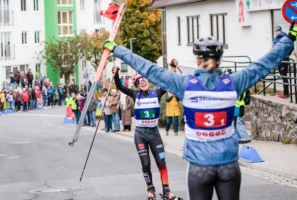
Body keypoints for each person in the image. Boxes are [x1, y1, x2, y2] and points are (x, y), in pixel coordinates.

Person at [104, 22, 297, 200]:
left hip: (199, 166)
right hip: (228, 165)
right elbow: (264, 64)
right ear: (220, 60)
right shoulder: (234, 82)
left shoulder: (185, 85)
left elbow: (148, 68)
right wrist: (290, 38)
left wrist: (116, 49)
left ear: (197, 60)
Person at [113, 67, 176, 200]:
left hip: (154, 134)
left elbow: (169, 82)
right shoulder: (135, 94)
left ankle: (166, 191)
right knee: (146, 163)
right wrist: (116, 73)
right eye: (139, 81)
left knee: (161, 162)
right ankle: (150, 189)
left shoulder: (157, 93)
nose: (143, 82)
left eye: (144, 79)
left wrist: (173, 68)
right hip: (141, 134)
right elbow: (119, 85)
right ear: (136, 85)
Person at [165, 59, 181, 136]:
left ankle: (176, 131)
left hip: (176, 107)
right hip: (169, 107)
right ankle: (167, 130)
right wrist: (172, 96)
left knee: (176, 121)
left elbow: (179, 99)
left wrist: (176, 96)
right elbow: (166, 99)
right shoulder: (167, 89)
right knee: (168, 121)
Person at [273, 25, 290, 99]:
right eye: (276, 31)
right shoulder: (276, 38)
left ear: (281, 30)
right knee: (282, 75)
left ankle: (286, 93)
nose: (277, 32)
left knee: (284, 75)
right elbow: (273, 47)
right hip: (278, 59)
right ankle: (285, 92)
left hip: (284, 59)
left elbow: (289, 46)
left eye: (278, 31)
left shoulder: (285, 37)